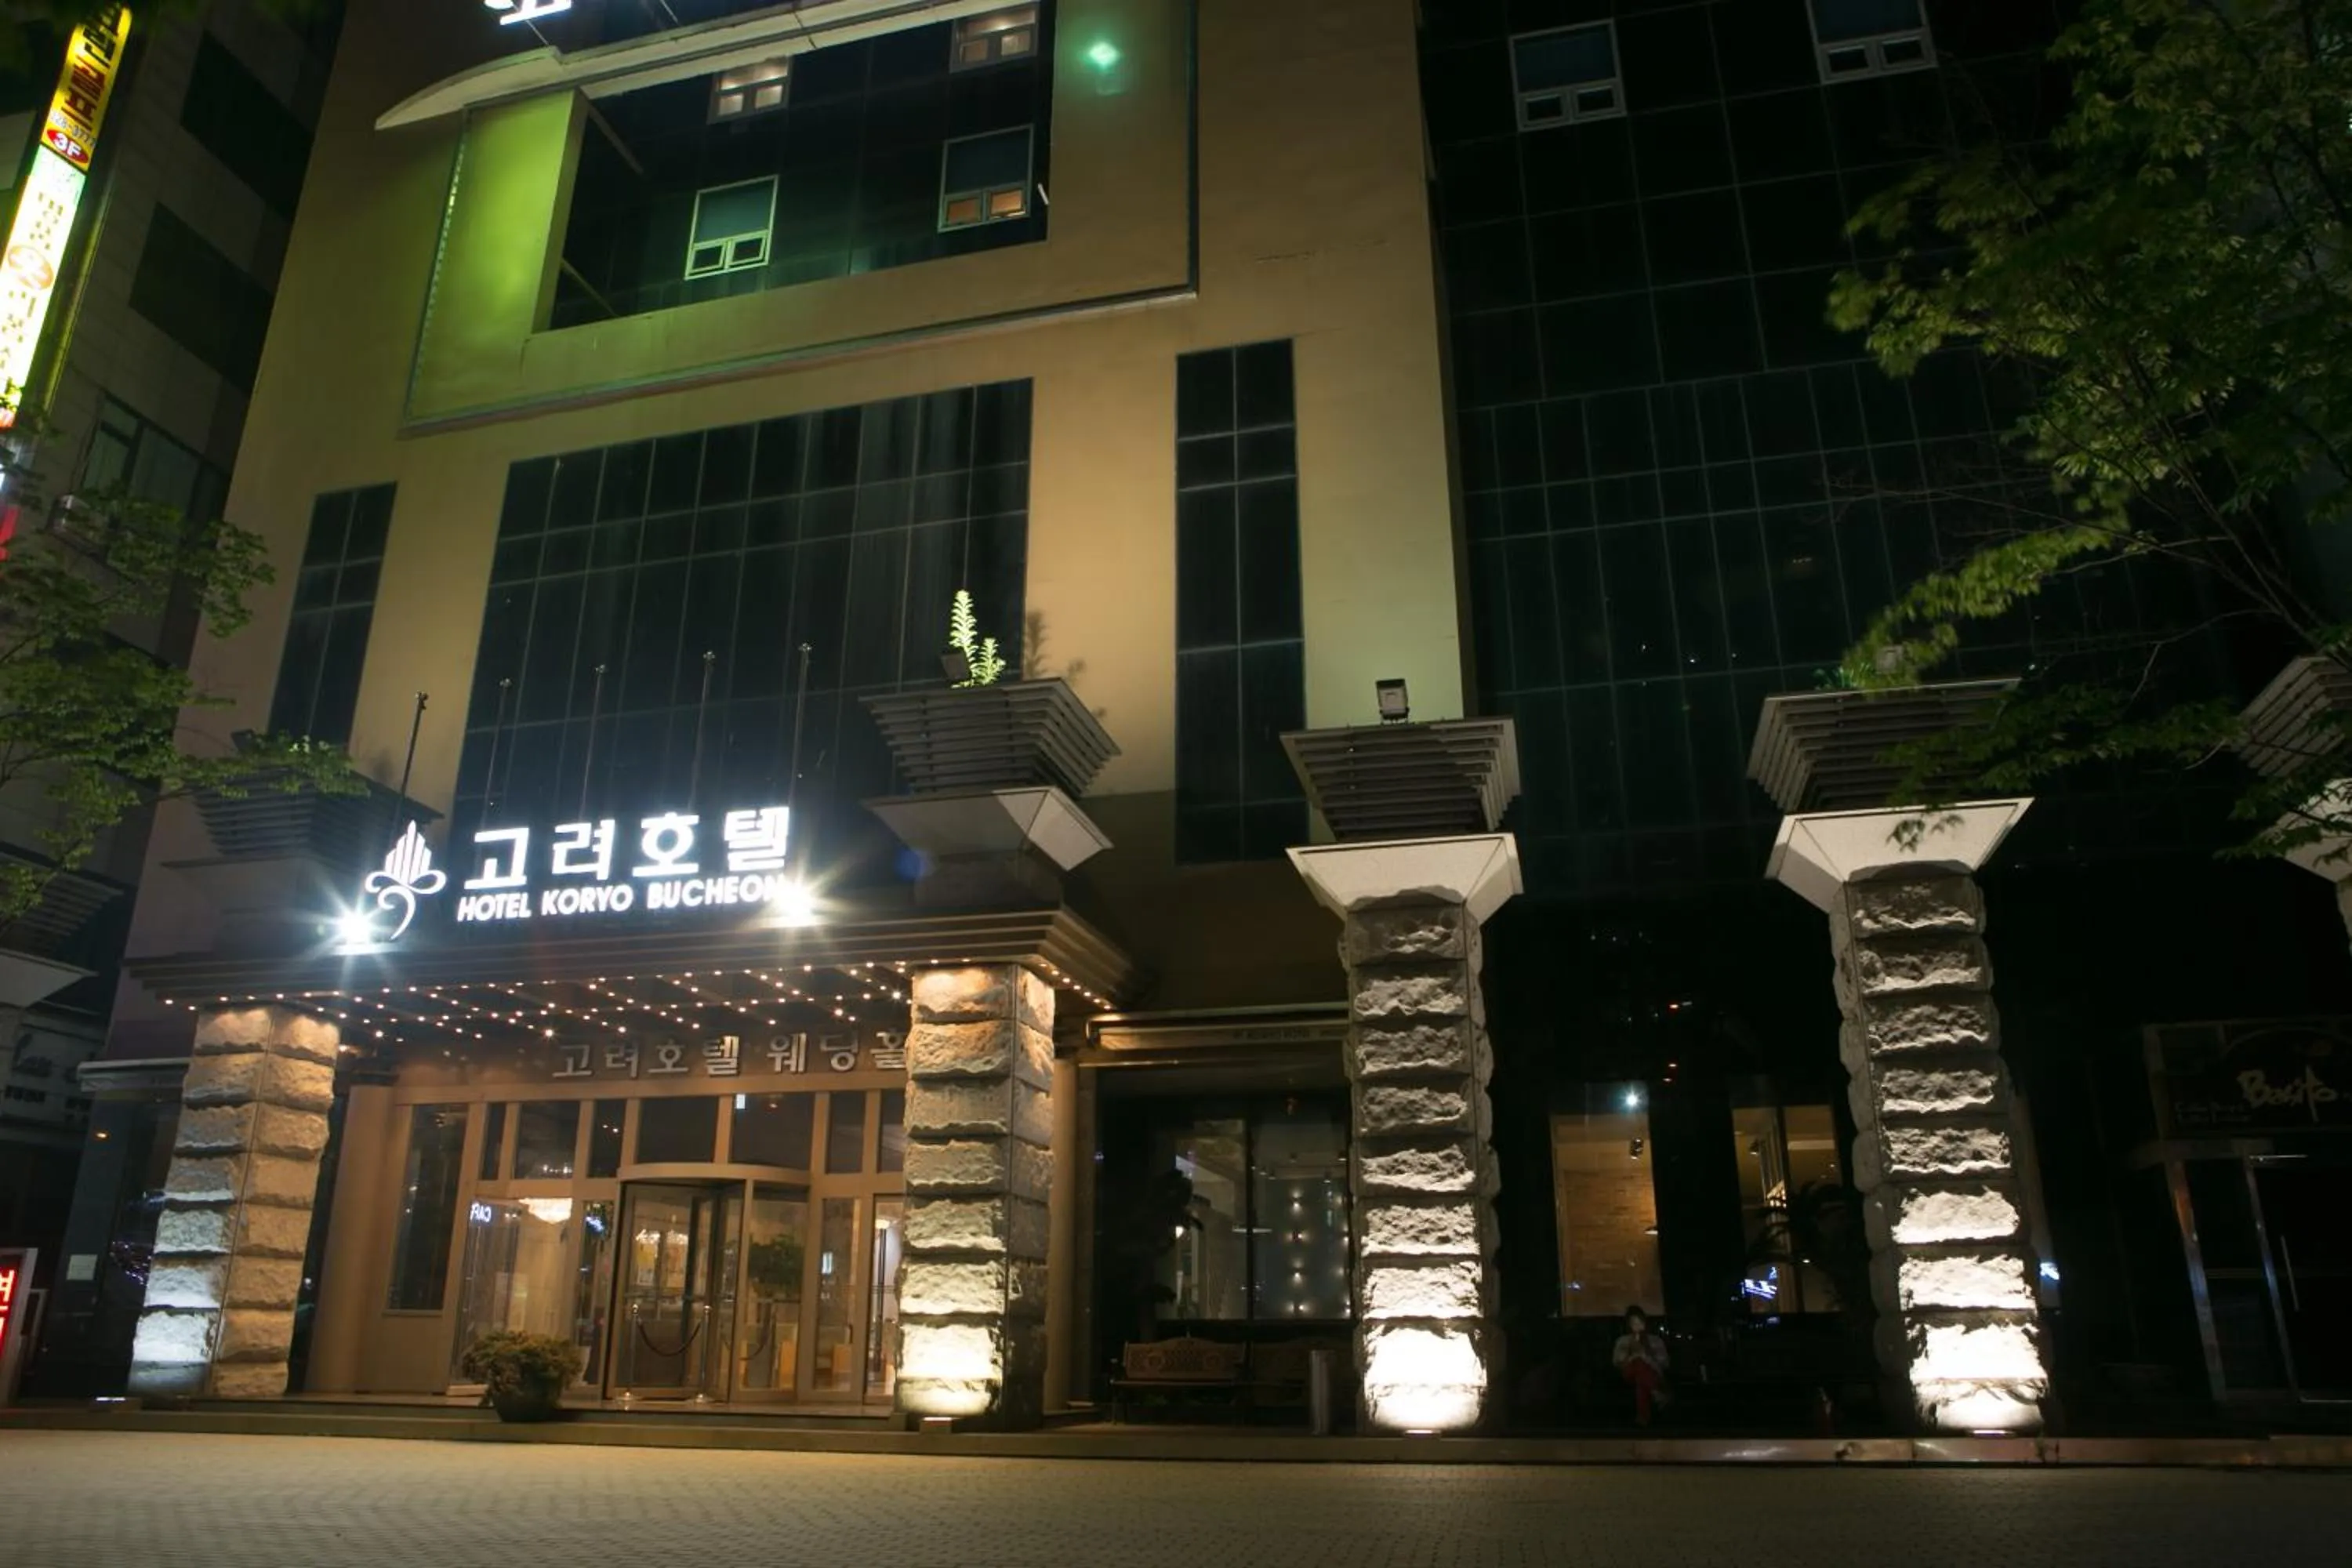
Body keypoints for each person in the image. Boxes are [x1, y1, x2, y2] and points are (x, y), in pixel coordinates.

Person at [1610, 1305, 1669, 1426]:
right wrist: (1633, 1355)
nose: (1637, 1326)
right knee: (1638, 1364)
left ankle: (1643, 1417)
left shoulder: (1655, 1340)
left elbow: (1664, 1362)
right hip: (1629, 1371)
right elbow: (1617, 1361)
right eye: (1634, 1323)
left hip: (1652, 1372)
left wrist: (1647, 1356)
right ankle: (1656, 1394)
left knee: (1641, 1381)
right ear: (1629, 1325)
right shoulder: (1623, 1341)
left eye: (1639, 1322)